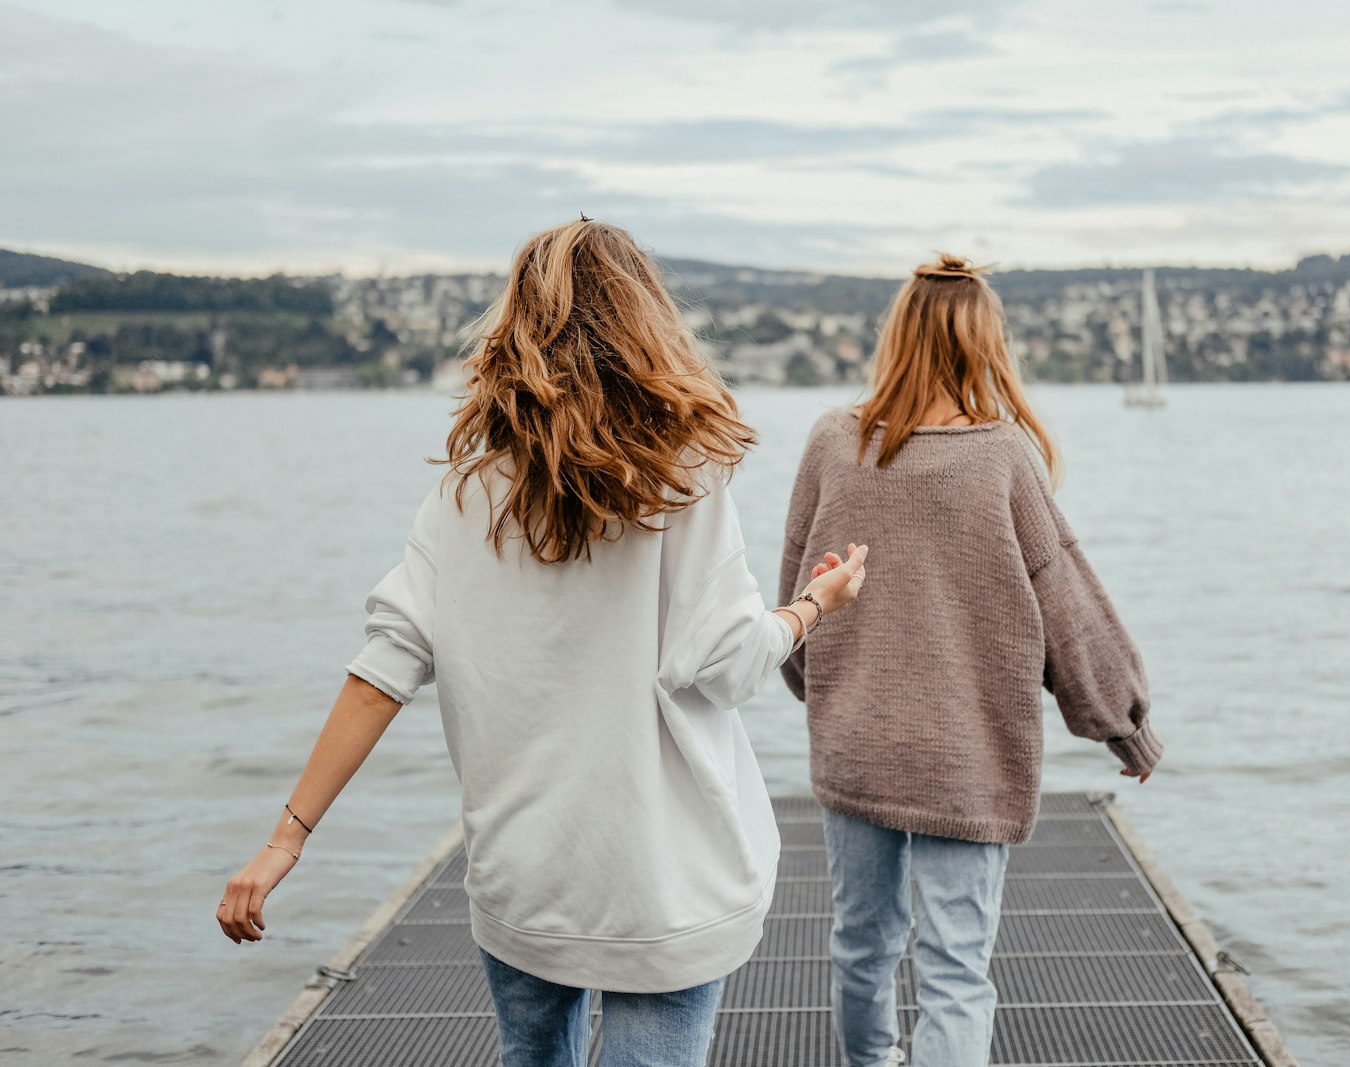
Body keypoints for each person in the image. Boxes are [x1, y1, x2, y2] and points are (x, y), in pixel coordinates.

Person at [215, 218, 868, 1067]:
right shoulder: (686, 481)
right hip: (662, 882)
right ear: (647, 324)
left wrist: (286, 838)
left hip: (525, 880)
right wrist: (814, 605)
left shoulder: (463, 498)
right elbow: (724, 662)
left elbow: (381, 673)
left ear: (516, 330)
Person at [781, 254, 1161, 1067]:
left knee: (860, 944)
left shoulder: (830, 443)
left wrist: (828, 693)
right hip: (967, 755)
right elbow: (1071, 614)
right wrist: (1124, 726)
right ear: (987, 345)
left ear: (898, 337)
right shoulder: (1003, 459)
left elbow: (795, 596)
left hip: (857, 740)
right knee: (955, 969)